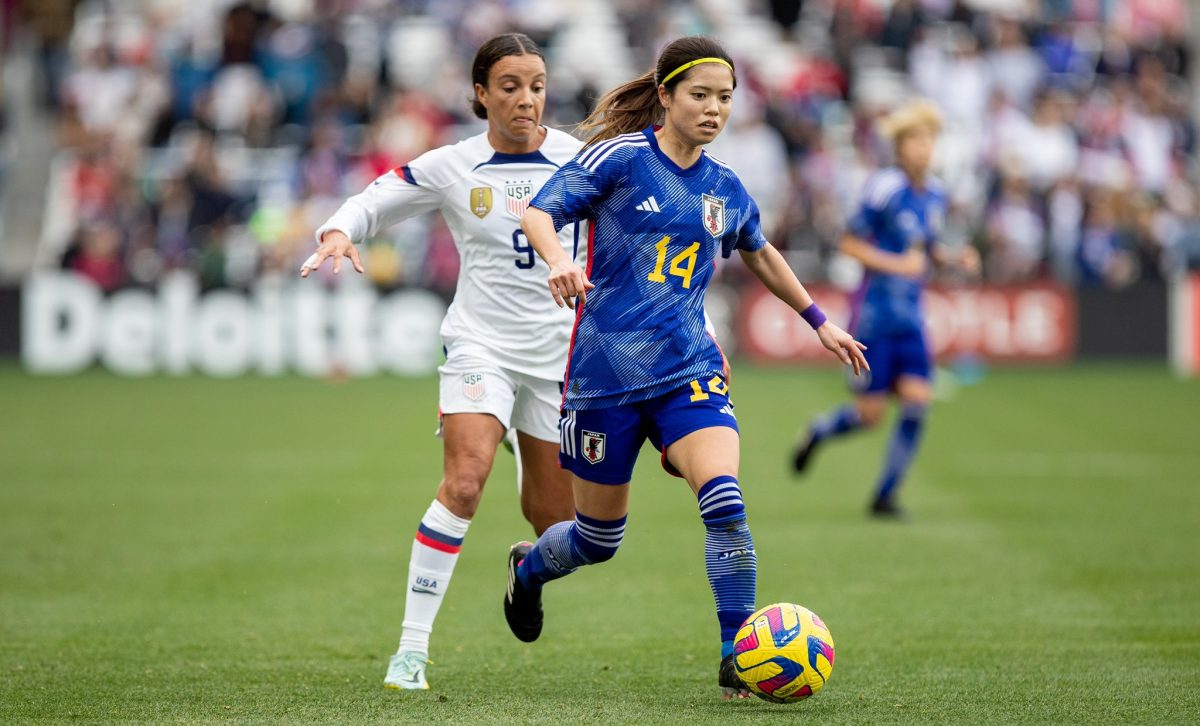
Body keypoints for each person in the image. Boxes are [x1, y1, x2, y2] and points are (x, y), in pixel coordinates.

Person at [500, 36, 868, 699]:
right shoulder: (619, 159)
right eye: (700, 95)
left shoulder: (724, 187)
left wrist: (820, 321)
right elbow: (537, 212)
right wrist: (558, 259)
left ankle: (736, 653)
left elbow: (758, 251)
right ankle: (528, 572)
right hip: (603, 378)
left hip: (689, 369)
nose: (714, 109)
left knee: (724, 499)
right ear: (665, 96)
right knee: (596, 539)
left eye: (725, 97)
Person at [300, 33, 581, 690]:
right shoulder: (455, 164)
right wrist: (340, 230)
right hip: (480, 345)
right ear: (480, 94)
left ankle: (525, 569)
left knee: (563, 531)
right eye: (509, 86)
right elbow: (377, 197)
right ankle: (411, 652)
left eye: (536, 85)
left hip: (560, 357)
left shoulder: (578, 158)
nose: (526, 99)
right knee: (462, 482)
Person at [790, 100, 979, 517]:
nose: (924, 148)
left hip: (910, 318)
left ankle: (885, 496)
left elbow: (923, 250)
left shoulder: (935, 195)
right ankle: (818, 432)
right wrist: (898, 265)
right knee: (870, 415)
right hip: (874, 315)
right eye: (915, 140)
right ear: (899, 146)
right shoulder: (883, 188)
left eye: (929, 140)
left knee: (917, 402)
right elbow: (850, 243)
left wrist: (951, 258)